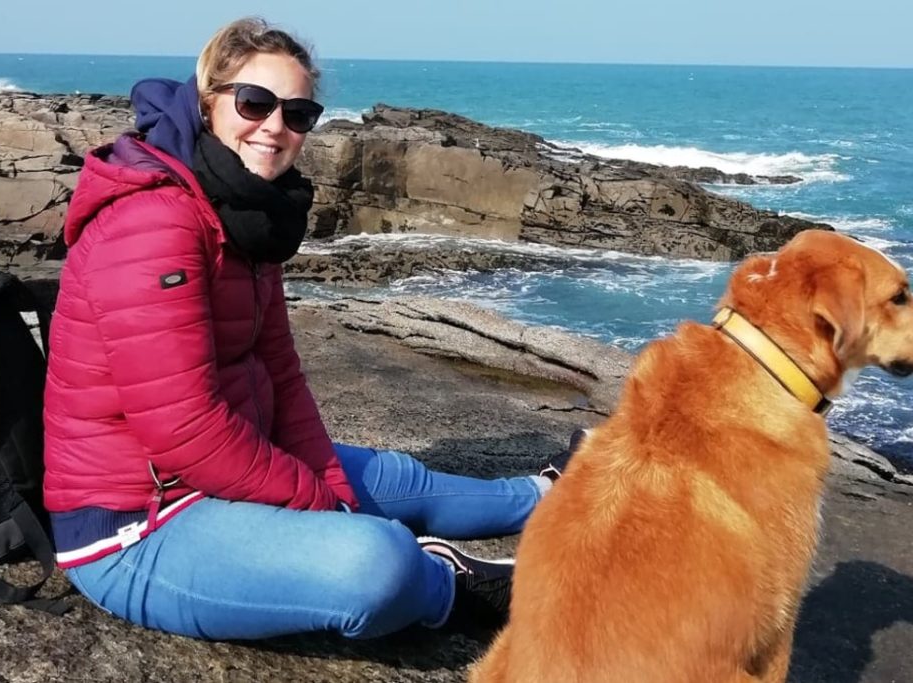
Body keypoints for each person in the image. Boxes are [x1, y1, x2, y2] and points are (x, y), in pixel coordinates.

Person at [42, 16, 577, 641]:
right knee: (372, 561)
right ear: (209, 101)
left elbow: (282, 375)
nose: (275, 126)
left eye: (297, 112)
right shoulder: (155, 222)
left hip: (227, 464)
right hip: (138, 521)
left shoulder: (246, 213)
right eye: (255, 102)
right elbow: (183, 428)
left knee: (395, 478)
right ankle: (450, 584)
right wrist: (329, 511)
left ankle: (551, 496)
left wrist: (326, 481)